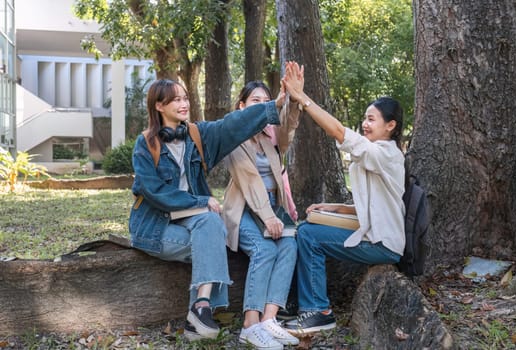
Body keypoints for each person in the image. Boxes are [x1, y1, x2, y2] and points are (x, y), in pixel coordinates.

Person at [129, 78, 286, 340]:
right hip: (155, 228)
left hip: (195, 223)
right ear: (159, 105)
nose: (184, 104)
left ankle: (200, 308)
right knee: (210, 234)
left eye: (185, 98)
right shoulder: (146, 144)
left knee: (213, 224)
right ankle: (199, 318)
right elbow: (153, 191)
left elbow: (231, 125)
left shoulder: (197, 136)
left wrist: (275, 105)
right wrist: (200, 201)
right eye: (176, 99)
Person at [282, 65, 406, 335]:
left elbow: (339, 132)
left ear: (391, 125)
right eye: (365, 118)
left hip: (382, 244)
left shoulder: (386, 154)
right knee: (305, 229)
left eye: (372, 119)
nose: (365, 123)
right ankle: (294, 303)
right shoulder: (379, 152)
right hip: (374, 235)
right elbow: (374, 207)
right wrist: (334, 208)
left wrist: (302, 98)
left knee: (309, 237)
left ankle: (319, 311)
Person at [221, 65, 303, 349]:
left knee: (290, 246)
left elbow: (288, 130)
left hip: (271, 204)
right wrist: (268, 216)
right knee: (264, 248)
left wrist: (294, 98)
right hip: (244, 207)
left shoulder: (269, 135)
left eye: (265, 100)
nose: (261, 105)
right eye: (255, 100)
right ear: (241, 105)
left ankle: (270, 320)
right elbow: (248, 180)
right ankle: (250, 324)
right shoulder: (233, 132)